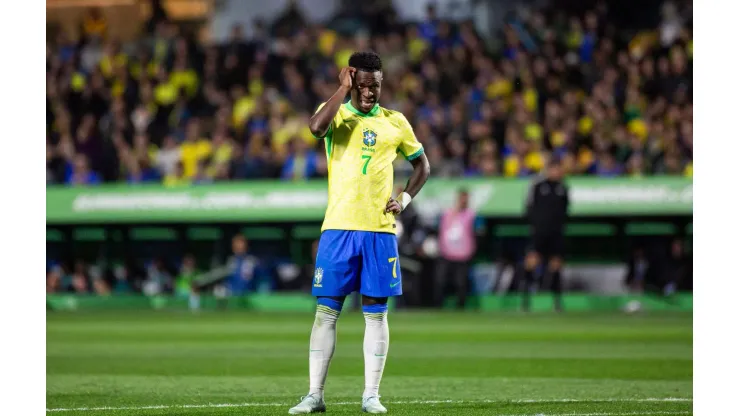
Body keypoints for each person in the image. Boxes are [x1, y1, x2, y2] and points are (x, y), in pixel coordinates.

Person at [289, 51, 431, 414]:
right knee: (326, 313)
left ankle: (371, 395)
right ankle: (314, 395)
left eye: (376, 86)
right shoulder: (335, 112)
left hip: (379, 231)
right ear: (352, 81)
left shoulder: (395, 122)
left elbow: (422, 166)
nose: (370, 93)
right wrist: (341, 90)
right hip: (338, 228)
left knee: (376, 314)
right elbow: (315, 128)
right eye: (363, 85)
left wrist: (405, 199)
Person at [522, 158, 570, 312]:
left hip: (556, 233)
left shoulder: (563, 188)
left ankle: (557, 302)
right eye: (553, 169)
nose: (556, 172)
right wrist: (535, 225)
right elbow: (529, 208)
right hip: (539, 232)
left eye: (558, 169)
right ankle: (525, 301)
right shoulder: (537, 186)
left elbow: (565, 211)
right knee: (531, 262)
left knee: (556, 265)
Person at [434, 189, 477, 309]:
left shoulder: (471, 215)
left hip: (463, 253)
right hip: (446, 252)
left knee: (461, 283)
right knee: (440, 281)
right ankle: (438, 306)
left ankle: (460, 307)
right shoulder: (447, 214)